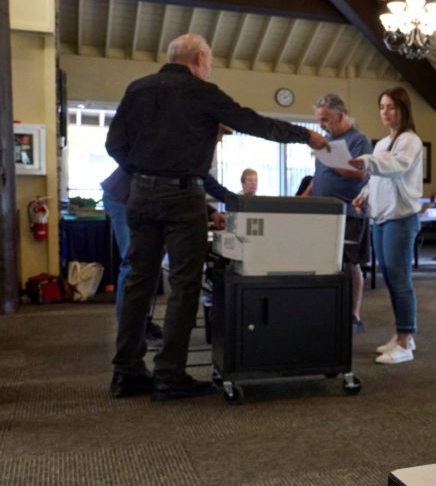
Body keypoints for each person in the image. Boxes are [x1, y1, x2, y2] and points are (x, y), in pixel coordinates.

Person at [105, 33, 329, 401]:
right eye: (208, 64)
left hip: (140, 194)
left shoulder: (137, 89)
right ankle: (168, 375)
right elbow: (252, 122)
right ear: (199, 59)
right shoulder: (201, 91)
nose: (208, 70)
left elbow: (114, 145)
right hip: (182, 196)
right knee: (184, 284)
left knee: (138, 282)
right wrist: (304, 134)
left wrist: (145, 170)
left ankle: (126, 372)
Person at [101, 166, 228, 348]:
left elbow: (191, 185)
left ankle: (141, 323)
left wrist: (212, 212)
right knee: (133, 263)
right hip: (123, 197)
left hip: (144, 199)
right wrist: (237, 201)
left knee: (147, 265)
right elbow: (200, 180)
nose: (217, 140)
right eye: (218, 136)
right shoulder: (185, 145)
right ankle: (133, 334)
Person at [349, 87, 422, 365]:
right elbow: (377, 179)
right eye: (382, 107)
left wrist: (365, 162)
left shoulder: (410, 141)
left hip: (401, 219)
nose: (385, 112)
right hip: (380, 219)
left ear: (403, 109)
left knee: (400, 280)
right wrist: (364, 196)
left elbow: (395, 167)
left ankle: (405, 341)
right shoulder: (381, 144)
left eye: (391, 107)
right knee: (391, 279)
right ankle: (404, 333)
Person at [309, 92, 372, 333]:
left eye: (325, 119)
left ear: (341, 115)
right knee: (324, 263)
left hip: (350, 213)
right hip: (322, 213)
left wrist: (326, 158)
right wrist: (302, 199)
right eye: (319, 120)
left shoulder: (359, 140)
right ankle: (329, 308)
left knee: (350, 264)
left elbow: (359, 174)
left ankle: (354, 315)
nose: (321, 125)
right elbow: (318, 179)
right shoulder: (326, 142)